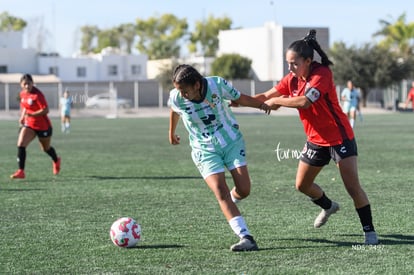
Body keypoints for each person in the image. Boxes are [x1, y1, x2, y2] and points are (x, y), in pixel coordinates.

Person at [254, 30, 378, 245]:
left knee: (353, 188)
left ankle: (370, 233)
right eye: (288, 64)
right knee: (302, 185)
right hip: (315, 140)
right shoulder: (292, 79)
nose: (290, 68)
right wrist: (234, 100)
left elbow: (305, 102)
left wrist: (279, 101)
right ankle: (329, 206)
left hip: (339, 139)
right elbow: (265, 97)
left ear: (308, 61)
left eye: (294, 63)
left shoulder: (322, 74)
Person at [168, 64, 270, 251]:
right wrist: (171, 132)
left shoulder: (217, 84)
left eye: (185, 90)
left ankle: (231, 201)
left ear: (197, 84)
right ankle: (245, 236)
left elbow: (240, 98)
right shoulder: (177, 97)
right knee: (220, 190)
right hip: (204, 149)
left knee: (244, 189)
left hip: (231, 141)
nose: (182, 95)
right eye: (178, 90)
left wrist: (261, 105)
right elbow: (175, 110)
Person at [10, 74, 61, 179]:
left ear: (32, 83)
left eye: (29, 83)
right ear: (21, 85)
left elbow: (46, 110)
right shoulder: (22, 94)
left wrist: (32, 114)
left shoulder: (38, 95)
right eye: (25, 84)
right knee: (21, 144)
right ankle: (21, 171)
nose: (27, 86)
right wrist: (22, 117)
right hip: (29, 125)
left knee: (45, 149)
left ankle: (56, 160)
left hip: (43, 126)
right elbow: (25, 107)